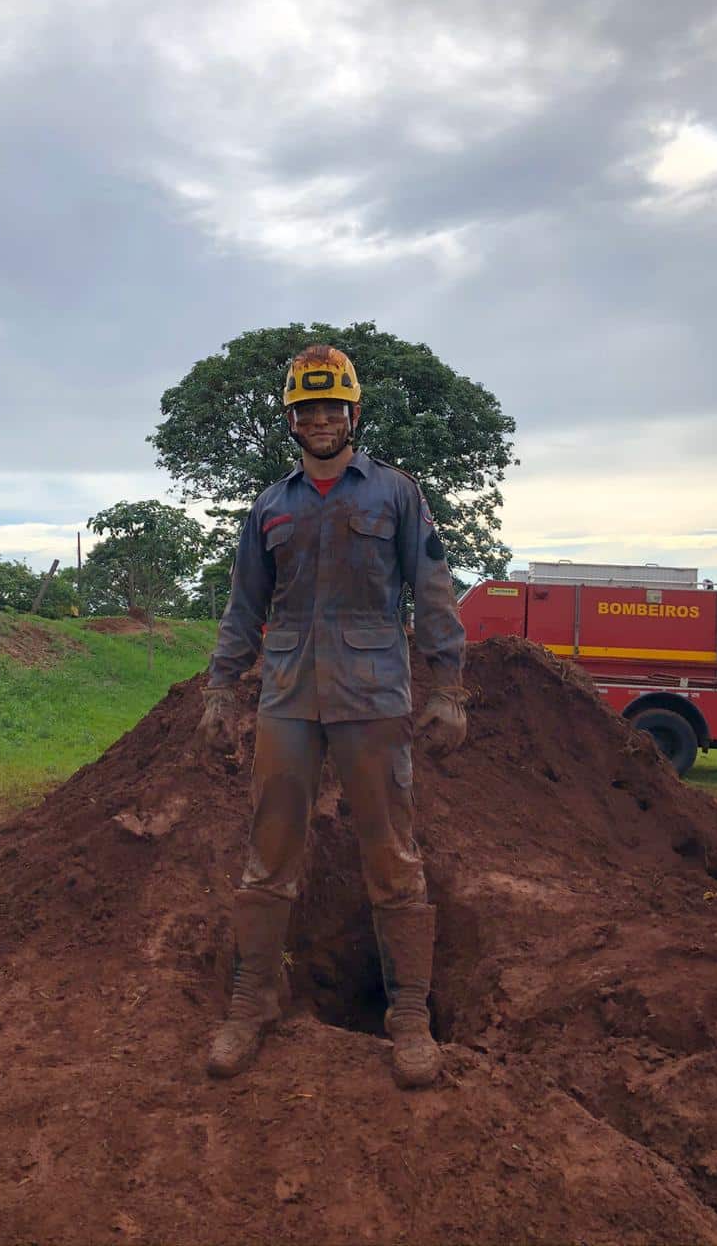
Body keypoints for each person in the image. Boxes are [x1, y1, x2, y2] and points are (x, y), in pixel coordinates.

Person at [198, 344, 467, 1088]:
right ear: (292, 420)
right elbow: (242, 608)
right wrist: (221, 689)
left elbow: (434, 591)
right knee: (270, 851)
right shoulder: (271, 507)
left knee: (390, 851)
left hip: (375, 697)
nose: (320, 420)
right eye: (306, 409)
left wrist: (449, 687)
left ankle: (408, 1016)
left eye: (332, 407)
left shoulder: (395, 495)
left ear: (352, 413)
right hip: (286, 694)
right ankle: (251, 1003)